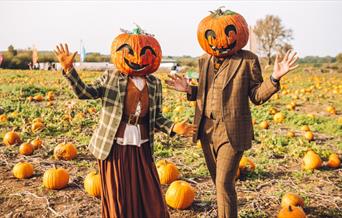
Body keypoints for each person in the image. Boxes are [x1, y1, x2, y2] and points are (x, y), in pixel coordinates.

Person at [166, 7, 298, 218]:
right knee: (218, 184)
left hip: (232, 131)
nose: (219, 41)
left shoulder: (247, 60)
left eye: (226, 34)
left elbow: (256, 95)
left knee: (224, 182)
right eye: (212, 35)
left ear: (237, 34)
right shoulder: (204, 60)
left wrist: (274, 78)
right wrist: (189, 90)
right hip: (206, 129)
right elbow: (205, 91)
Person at [54, 28, 195, 218]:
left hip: (141, 146)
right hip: (114, 145)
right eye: (130, 53)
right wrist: (69, 70)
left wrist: (173, 127)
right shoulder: (111, 78)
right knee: (118, 193)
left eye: (145, 53)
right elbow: (84, 93)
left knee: (148, 191)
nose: (138, 58)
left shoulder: (154, 84)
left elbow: (156, 117)